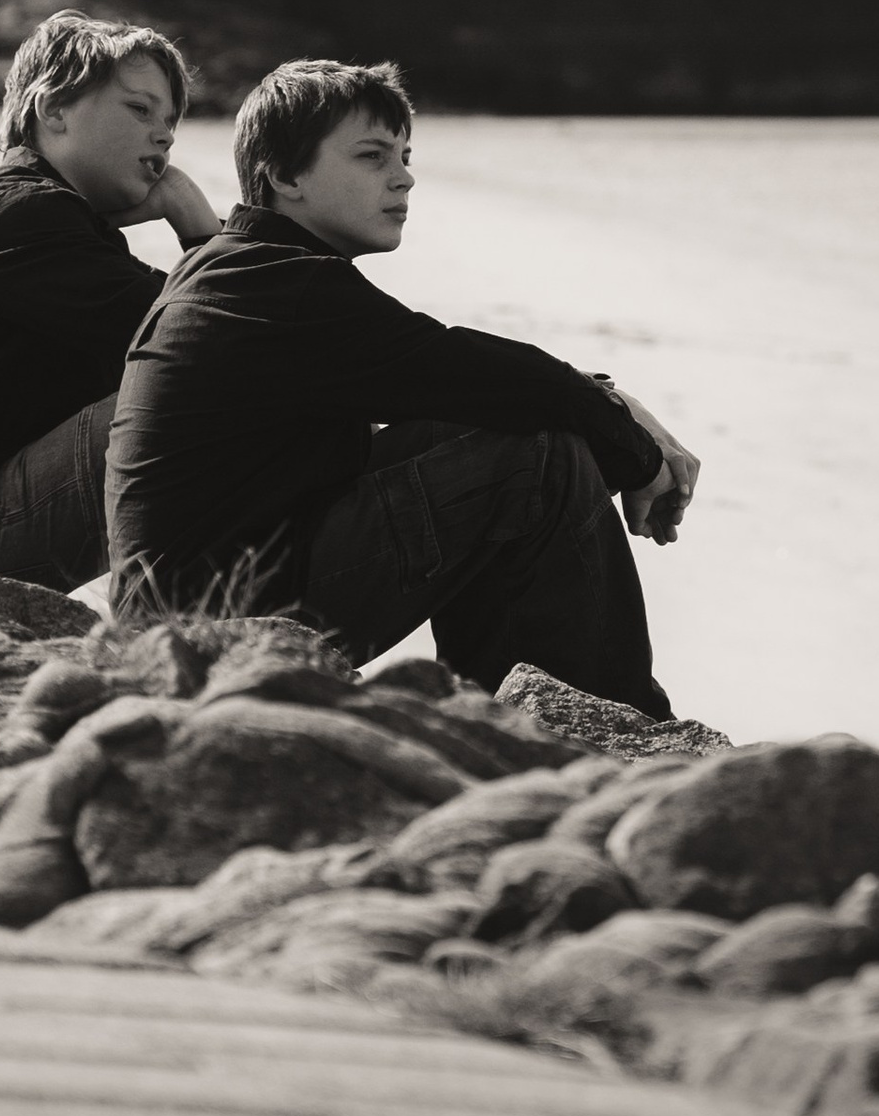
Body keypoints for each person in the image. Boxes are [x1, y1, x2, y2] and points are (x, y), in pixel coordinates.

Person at [105, 57, 696, 711]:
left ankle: (522, 706)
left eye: (405, 155)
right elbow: (480, 373)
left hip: (197, 610)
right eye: (372, 156)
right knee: (538, 458)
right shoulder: (283, 286)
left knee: (506, 427)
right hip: (212, 630)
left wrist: (612, 411)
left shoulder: (245, 270)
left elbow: (475, 384)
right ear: (284, 175)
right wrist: (632, 441)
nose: (404, 177)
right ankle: (616, 719)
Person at [0, 11, 220, 583]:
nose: (165, 135)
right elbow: (215, 333)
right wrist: (198, 227)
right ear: (53, 110)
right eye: (140, 109)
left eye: (171, 123)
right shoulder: (21, 215)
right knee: (212, 388)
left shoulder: (50, 223)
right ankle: (191, 628)